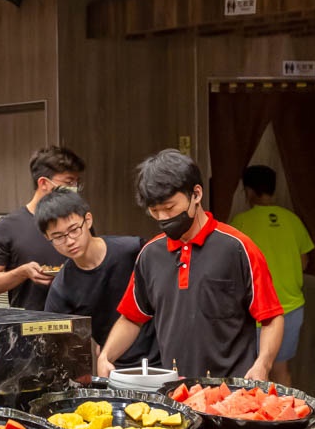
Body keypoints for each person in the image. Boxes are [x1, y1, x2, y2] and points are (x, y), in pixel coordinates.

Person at [97, 150, 284, 380]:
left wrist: (262, 365)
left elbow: (271, 317)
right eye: (154, 211)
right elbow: (132, 318)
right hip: (175, 387)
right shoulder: (150, 255)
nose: (163, 217)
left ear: (196, 194)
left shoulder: (238, 248)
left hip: (233, 388)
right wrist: (106, 356)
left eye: (169, 207)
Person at [36, 189, 159, 369]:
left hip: (163, 355)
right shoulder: (62, 287)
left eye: (73, 230)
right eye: (58, 237)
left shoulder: (132, 250)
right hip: (117, 365)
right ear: (48, 238)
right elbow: (54, 343)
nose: (69, 241)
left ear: (88, 220)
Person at [231, 165, 314, 388]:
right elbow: (304, 262)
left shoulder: (240, 223)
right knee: (280, 370)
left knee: (251, 372)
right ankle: (287, 421)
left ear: (248, 191)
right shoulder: (293, 220)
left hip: (256, 311)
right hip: (291, 307)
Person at [0, 145, 86, 310]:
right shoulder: (7, 227)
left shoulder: (77, 222)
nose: (74, 188)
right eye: (69, 182)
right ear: (44, 183)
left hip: (77, 321)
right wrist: (22, 272)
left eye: (76, 182)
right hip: (29, 325)